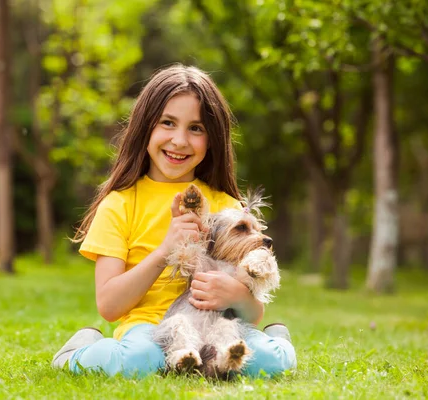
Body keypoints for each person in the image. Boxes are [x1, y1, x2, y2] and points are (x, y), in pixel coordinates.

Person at [52, 64, 296, 378]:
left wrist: (236, 296)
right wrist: (166, 249)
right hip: (148, 329)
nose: (179, 140)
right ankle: (76, 353)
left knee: (265, 361)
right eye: (168, 123)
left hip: (219, 324)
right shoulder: (120, 204)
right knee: (140, 360)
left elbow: (253, 312)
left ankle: (279, 341)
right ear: (145, 128)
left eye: (196, 128)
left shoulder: (226, 206)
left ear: (212, 139)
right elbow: (110, 306)